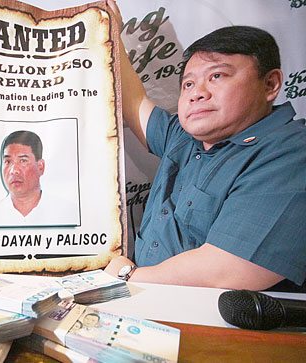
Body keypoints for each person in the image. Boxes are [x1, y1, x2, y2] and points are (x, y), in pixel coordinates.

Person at [105, 24, 306, 292]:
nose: (197, 93)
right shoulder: (184, 138)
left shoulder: (290, 152)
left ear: (270, 84)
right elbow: (133, 102)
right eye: (189, 84)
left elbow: (229, 270)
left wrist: (126, 275)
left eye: (217, 76)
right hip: (144, 307)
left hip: (216, 327)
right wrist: (107, 29)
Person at [0, 130, 79, 227]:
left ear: (40, 167)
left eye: (23, 161)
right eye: (8, 162)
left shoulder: (68, 214)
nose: (14, 170)